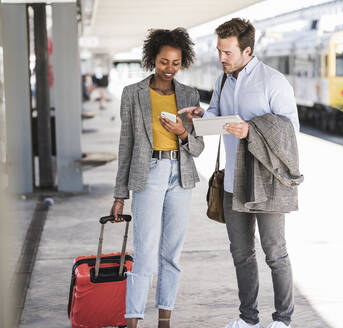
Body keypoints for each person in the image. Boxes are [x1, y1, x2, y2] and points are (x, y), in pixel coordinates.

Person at [179, 18, 300, 328]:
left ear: (247, 50)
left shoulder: (274, 82)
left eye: (227, 52)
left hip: (267, 182)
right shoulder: (223, 80)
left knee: (275, 253)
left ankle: (283, 320)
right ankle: (248, 319)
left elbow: (290, 131)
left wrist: (252, 131)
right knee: (241, 253)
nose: (221, 58)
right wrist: (202, 116)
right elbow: (218, 113)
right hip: (233, 181)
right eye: (219, 51)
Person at [111, 28, 204, 328]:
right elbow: (126, 145)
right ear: (153, 59)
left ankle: (165, 320)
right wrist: (119, 195)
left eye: (176, 63)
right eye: (164, 62)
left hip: (181, 175)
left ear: (183, 62)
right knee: (145, 253)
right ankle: (133, 321)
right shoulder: (133, 94)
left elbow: (198, 148)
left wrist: (183, 132)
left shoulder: (189, 95)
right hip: (148, 174)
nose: (169, 68)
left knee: (171, 254)